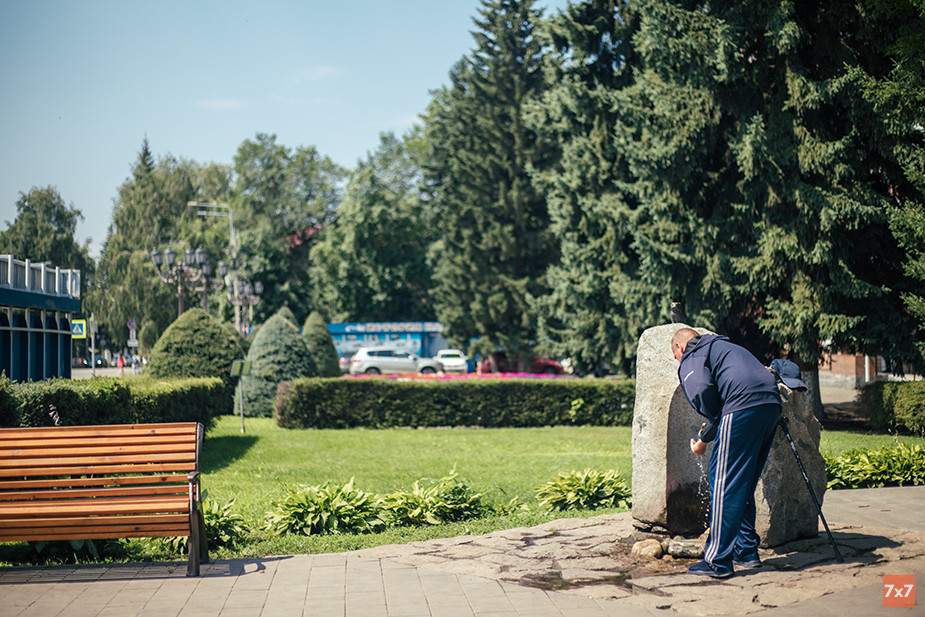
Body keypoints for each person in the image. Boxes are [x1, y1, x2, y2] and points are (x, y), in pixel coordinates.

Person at [671, 327, 782, 579]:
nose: (679, 361)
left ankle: (717, 561)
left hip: (742, 405)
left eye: (676, 358)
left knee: (722, 483)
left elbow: (701, 390)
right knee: (740, 484)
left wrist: (705, 432)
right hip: (770, 405)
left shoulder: (693, 354)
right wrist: (706, 436)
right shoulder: (725, 347)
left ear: (679, 348)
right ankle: (746, 551)